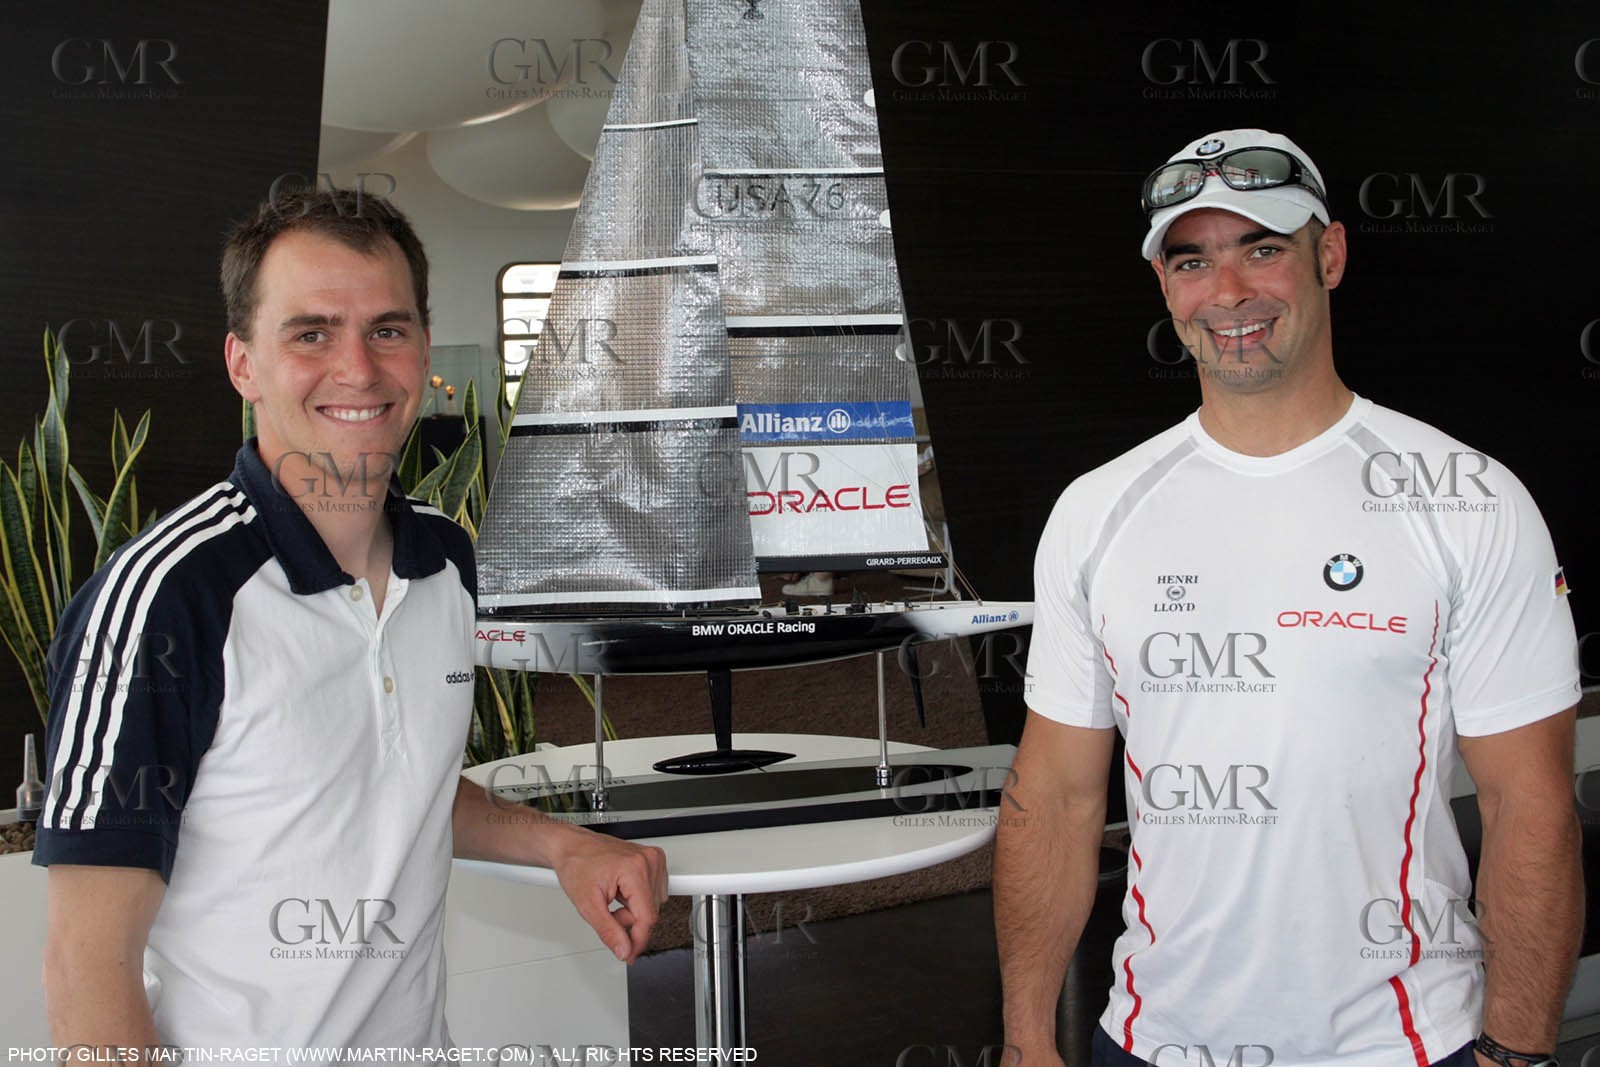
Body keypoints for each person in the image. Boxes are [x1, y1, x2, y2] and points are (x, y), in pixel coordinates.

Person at [995, 130, 1581, 1067]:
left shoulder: (1464, 497)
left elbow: (1530, 803)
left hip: (1405, 1044)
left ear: (1330, 255)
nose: (1228, 292)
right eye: (1193, 260)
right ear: (1164, 287)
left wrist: (1516, 1053)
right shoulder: (1097, 510)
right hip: (1150, 1041)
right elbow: (1055, 798)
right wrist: (1027, 1037)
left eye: (1262, 248)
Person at [34, 189, 668, 1051]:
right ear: (243, 363)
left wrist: (565, 845)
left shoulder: (446, 563)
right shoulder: (166, 600)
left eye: (387, 329)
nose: (359, 369)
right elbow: (85, 964)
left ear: (423, 349)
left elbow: (399, 786)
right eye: (311, 333)